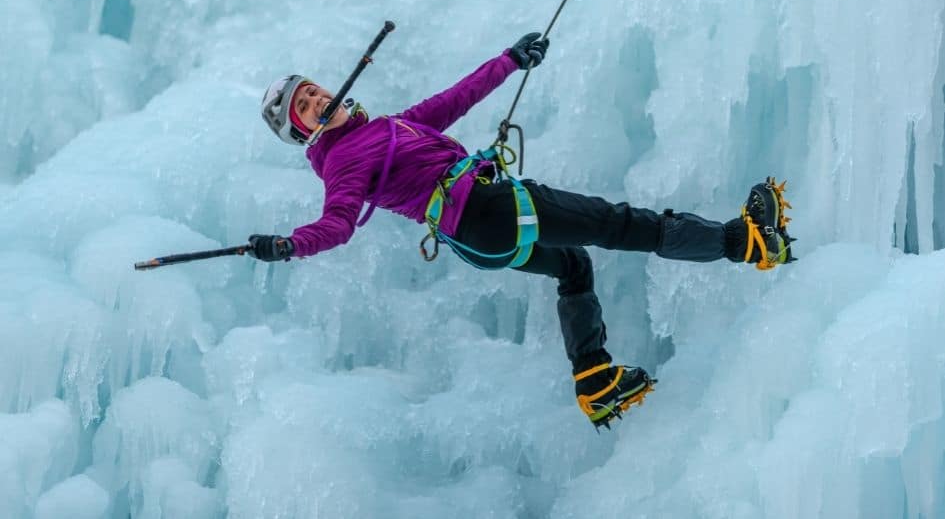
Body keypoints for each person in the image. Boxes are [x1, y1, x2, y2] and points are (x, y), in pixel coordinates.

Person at [253, 33, 795, 429]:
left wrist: (509, 61)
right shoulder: (341, 159)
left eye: (314, 91)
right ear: (301, 132)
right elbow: (337, 225)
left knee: (573, 264)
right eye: (304, 107)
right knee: (614, 223)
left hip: (477, 237)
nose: (318, 100)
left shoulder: (387, 128)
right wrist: (289, 245)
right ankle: (744, 241)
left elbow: (455, 98)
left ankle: (595, 380)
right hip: (487, 209)